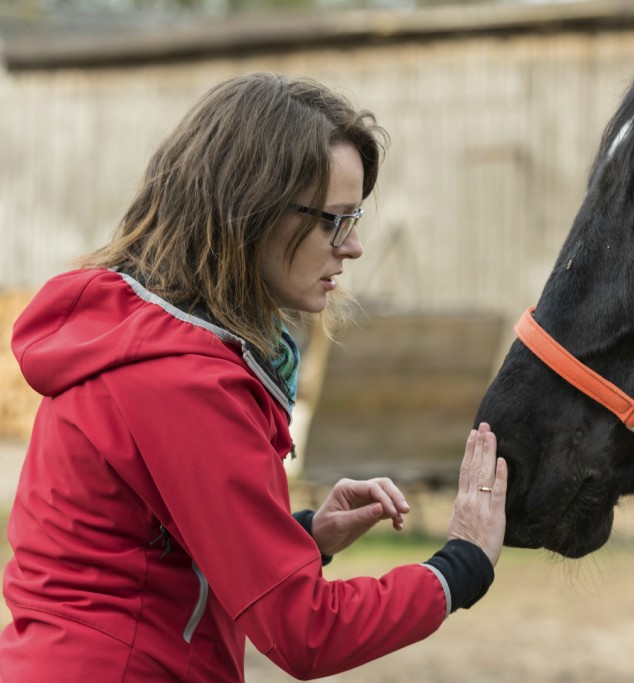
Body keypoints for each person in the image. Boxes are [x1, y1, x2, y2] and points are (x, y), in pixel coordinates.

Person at [0, 72, 507, 682]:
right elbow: (305, 634)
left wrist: (302, 534)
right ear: (250, 211)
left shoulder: (143, 345)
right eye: (333, 221)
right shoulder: (178, 380)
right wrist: (461, 565)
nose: (354, 247)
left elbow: (143, 553)